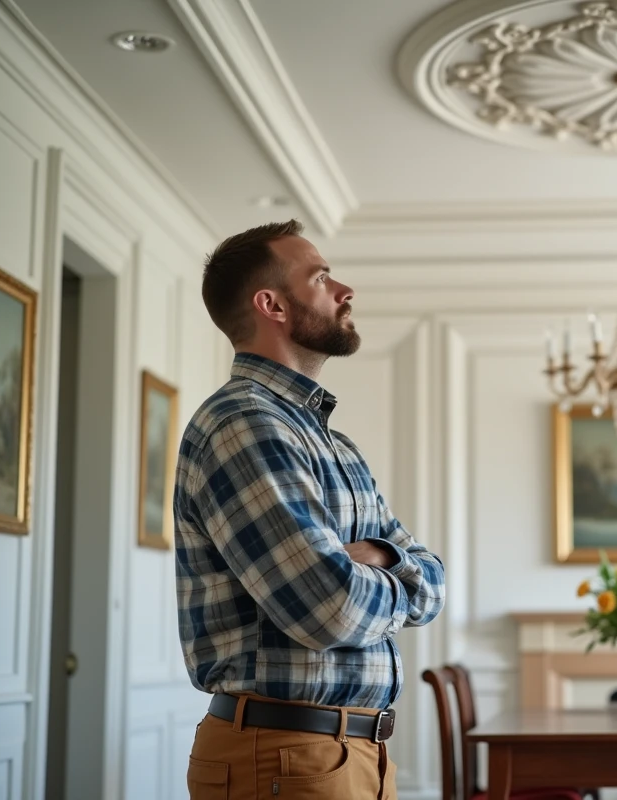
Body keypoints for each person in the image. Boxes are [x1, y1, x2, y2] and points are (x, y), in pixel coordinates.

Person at [172, 219, 445, 799]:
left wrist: (374, 557)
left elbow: (436, 583)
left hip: (358, 755)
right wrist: (393, 570)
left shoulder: (335, 446)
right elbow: (329, 607)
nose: (344, 290)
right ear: (271, 304)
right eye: (321, 277)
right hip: (283, 758)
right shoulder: (245, 423)